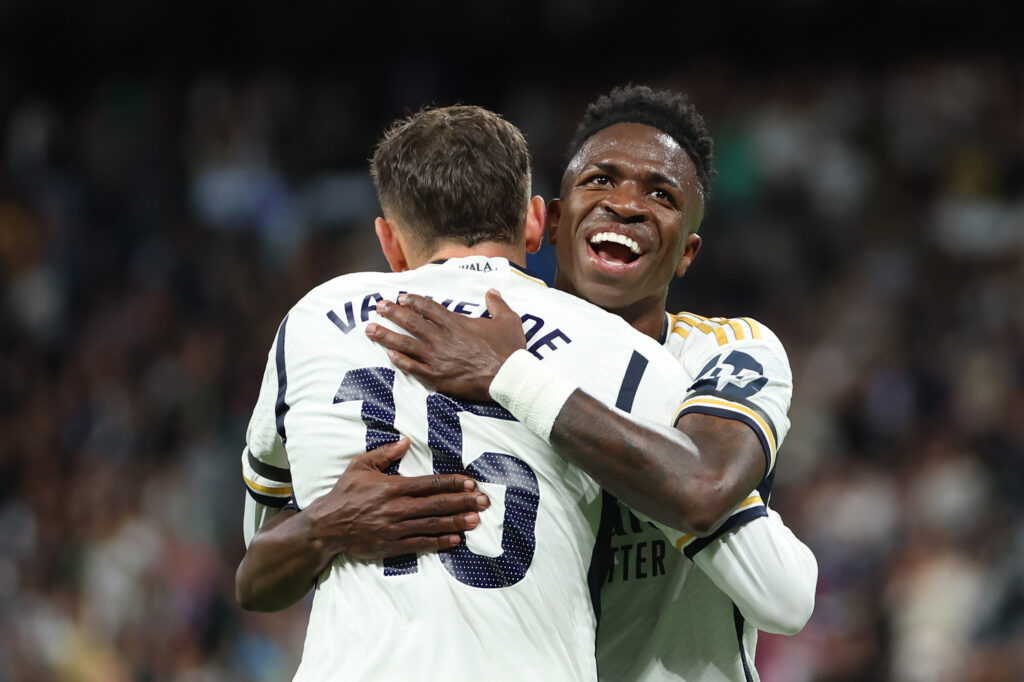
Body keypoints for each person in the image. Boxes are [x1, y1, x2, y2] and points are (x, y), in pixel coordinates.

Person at [240, 104, 752, 681]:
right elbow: (707, 502)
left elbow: (256, 580)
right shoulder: (625, 355)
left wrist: (325, 526)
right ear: (536, 223)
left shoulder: (312, 321)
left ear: (389, 242)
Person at [365, 85, 816, 681]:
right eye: (600, 181)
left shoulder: (721, 350)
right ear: (549, 223)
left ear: (688, 253)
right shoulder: (461, 351)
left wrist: (514, 379)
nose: (626, 205)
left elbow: (781, 594)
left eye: (661, 194)